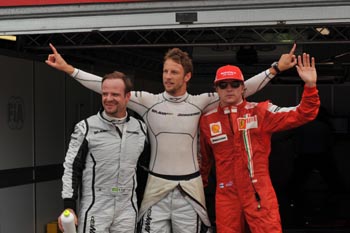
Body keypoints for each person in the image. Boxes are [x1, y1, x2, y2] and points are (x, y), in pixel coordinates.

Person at [46, 43, 297, 233]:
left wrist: (275, 69)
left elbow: (239, 88)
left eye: (174, 72)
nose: (167, 76)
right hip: (156, 188)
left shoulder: (201, 102)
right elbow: (108, 86)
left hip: (191, 187)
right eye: (165, 71)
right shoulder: (148, 102)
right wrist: (69, 69)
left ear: (187, 76)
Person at [199, 53, 320, 233]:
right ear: (216, 89)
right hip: (227, 195)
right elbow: (203, 161)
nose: (229, 89)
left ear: (243, 88)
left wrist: (310, 85)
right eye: (223, 85)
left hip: (258, 191)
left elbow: (303, 113)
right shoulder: (206, 121)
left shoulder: (261, 112)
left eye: (235, 84)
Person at [58, 71, 147, 233]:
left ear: (128, 97)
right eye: (104, 94)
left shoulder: (140, 128)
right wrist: (69, 206)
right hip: (96, 206)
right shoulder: (85, 127)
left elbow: (147, 167)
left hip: (127, 206)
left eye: (115, 94)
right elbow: (71, 168)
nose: (108, 98)